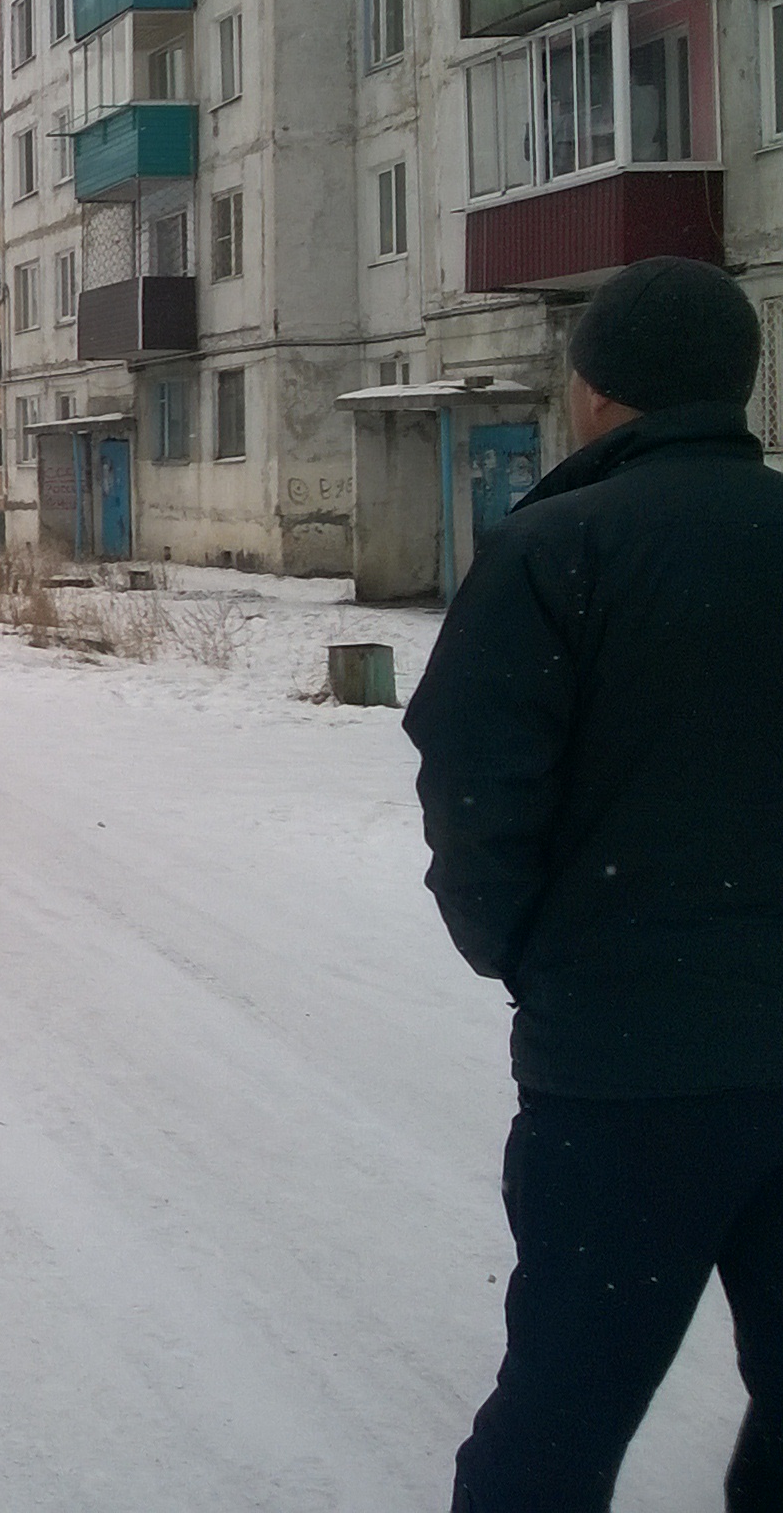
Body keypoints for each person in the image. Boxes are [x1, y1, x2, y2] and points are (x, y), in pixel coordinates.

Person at [405, 257, 783, 1513]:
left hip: (627, 1077)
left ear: (596, 390)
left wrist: (535, 954)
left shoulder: (554, 547)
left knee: (563, 1405)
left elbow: (474, 791)